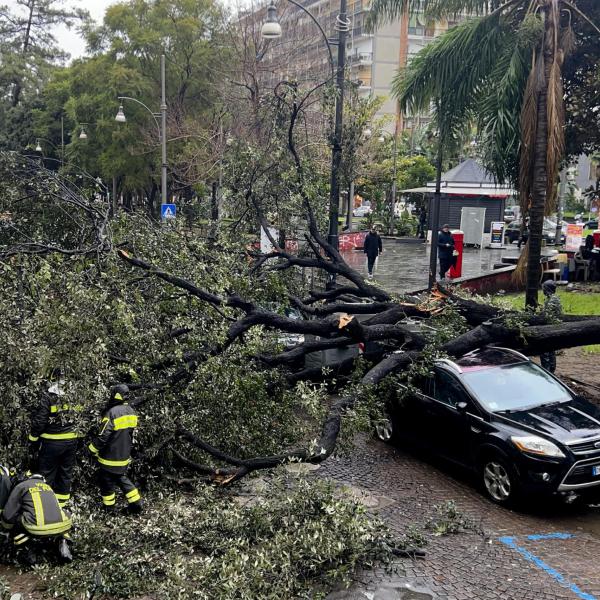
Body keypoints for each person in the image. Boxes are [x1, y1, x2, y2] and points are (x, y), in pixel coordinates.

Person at [28, 369, 81, 508]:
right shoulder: (74, 394)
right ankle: (61, 507)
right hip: (71, 442)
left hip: (51, 442)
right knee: (65, 473)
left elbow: (40, 421)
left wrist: (32, 439)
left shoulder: (49, 396)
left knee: (46, 473)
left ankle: (45, 507)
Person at [88, 385, 142, 514]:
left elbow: (103, 436)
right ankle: (136, 503)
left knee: (106, 482)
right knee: (121, 478)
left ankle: (109, 510)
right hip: (124, 455)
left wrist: (91, 449)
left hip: (109, 457)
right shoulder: (131, 411)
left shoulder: (112, 413)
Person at [1, 471, 72, 565]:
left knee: (17, 517)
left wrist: (5, 530)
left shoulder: (22, 486)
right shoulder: (48, 487)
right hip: (64, 526)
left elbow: (8, 515)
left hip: (36, 528)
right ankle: (62, 539)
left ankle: (27, 549)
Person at [540, 280, 562, 373]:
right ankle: (551, 370)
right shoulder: (553, 299)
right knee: (551, 350)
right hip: (554, 327)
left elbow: (547, 316)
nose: (543, 290)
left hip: (549, 329)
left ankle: (547, 371)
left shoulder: (552, 300)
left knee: (544, 350)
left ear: (547, 289)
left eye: (544, 288)